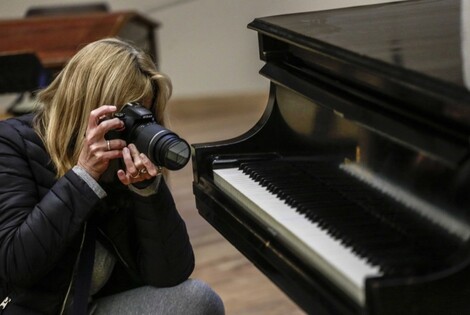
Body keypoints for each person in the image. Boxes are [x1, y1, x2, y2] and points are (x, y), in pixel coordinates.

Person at [0, 38, 225, 315]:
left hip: (90, 307)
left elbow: (170, 274)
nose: (134, 132)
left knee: (199, 300)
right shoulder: (12, 143)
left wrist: (148, 191)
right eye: (127, 118)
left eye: (146, 117)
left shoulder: (121, 159)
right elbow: (14, 267)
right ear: (88, 107)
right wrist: (83, 178)